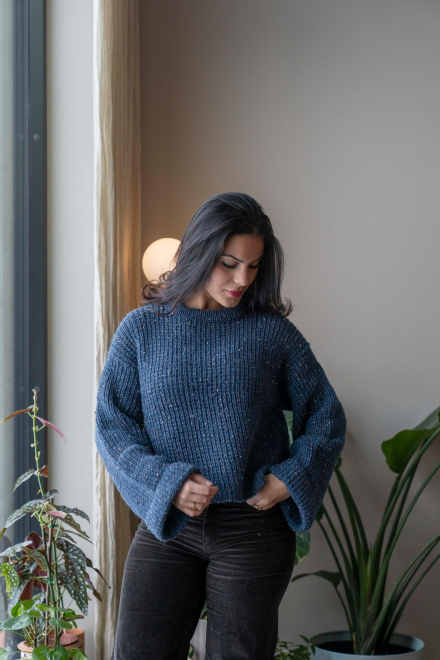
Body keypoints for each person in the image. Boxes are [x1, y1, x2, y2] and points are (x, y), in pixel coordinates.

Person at [95, 191, 347, 660]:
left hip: (253, 531)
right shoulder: (141, 330)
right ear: (199, 252)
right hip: (168, 526)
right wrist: (167, 483)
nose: (242, 280)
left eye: (254, 266)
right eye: (229, 264)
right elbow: (113, 425)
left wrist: (291, 477)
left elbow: (326, 416)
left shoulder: (271, 334)